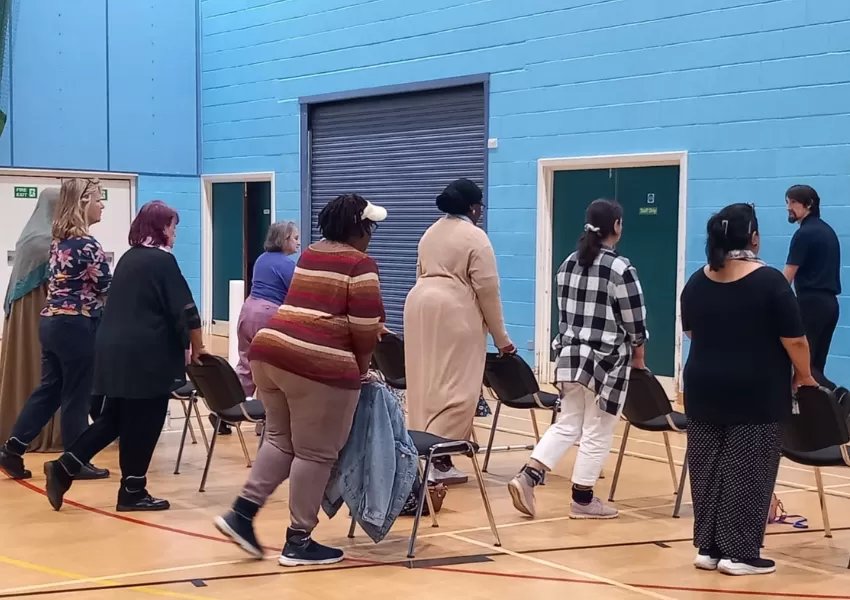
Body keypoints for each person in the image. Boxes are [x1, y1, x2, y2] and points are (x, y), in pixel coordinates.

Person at [214, 193, 386, 567]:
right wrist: (360, 369)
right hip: (316, 366)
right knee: (316, 452)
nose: (371, 235)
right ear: (358, 228)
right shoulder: (361, 265)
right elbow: (364, 329)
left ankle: (241, 515)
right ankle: (298, 540)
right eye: (370, 227)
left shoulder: (309, 254)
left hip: (270, 352)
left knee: (280, 440)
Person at [43, 200, 207, 512]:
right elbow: (186, 310)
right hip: (145, 354)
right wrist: (199, 348)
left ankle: (64, 467)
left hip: (112, 349)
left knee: (115, 419)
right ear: (160, 229)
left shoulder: (130, 258)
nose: (175, 233)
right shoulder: (162, 261)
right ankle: (132, 490)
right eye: (173, 227)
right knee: (145, 421)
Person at [681, 203, 815, 576]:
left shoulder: (696, 281)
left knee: (707, 467)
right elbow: (796, 341)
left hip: (703, 387)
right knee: (749, 468)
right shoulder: (770, 281)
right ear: (753, 238)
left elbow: (691, 332)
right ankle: (740, 553)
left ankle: (708, 548)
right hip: (756, 390)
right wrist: (804, 376)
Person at [509, 199, 647, 520]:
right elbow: (635, 322)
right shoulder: (620, 268)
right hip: (606, 363)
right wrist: (639, 353)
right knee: (598, 429)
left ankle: (528, 476)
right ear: (616, 227)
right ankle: (583, 500)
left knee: (568, 422)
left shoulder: (567, 264)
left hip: (570, 357)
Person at [404, 178, 515, 486]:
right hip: (454, 310)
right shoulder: (475, 237)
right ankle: (441, 456)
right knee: (456, 386)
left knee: (424, 380)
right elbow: (487, 290)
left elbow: (418, 271)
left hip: (417, 305)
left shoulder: (430, 233)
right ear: (472, 207)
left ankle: (422, 448)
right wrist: (501, 338)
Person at [0, 179, 111, 481]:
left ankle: (13, 447)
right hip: (76, 324)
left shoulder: (58, 243)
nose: (102, 206)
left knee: (49, 390)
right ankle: (75, 461)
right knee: (77, 394)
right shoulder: (88, 245)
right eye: (98, 200)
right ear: (83, 203)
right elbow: (105, 286)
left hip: (51, 322)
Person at [0, 188, 63, 452]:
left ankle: (16, 432)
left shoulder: (28, 238)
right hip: (40, 312)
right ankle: (41, 432)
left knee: (25, 366)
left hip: (23, 316)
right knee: (46, 373)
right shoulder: (47, 242)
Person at [783, 185, 841, 388]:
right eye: (787, 202)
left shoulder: (804, 234)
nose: (788, 207)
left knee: (803, 364)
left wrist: (774, 301)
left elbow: (787, 276)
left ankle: (840, 398)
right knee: (816, 364)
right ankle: (819, 416)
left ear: (809, 204)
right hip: (830, 305)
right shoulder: (827, 231)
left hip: (810, 303)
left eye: (793, 202)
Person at [235, 221, 299, 397]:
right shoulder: (287, 265)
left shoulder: (261, 259)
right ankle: (267, 413)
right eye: (295, 238)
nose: (298, 243)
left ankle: (230, 407)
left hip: (247, 310)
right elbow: (298, 295)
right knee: (269, 368)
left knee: (246, 363)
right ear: (284, 240)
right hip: (267, 315)